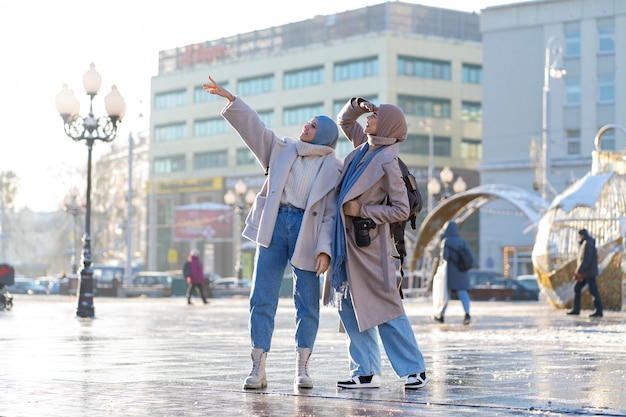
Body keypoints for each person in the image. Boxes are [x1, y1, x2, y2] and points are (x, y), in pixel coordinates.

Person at [202, 76, 342, 390]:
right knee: (261, 297)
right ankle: (258, 368)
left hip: (308, 230)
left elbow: (330, 213)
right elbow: (255, 129)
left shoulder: (334, 168)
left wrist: (325, 250)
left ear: (327, 135)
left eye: (314, 124)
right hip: (275, 225)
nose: (307, 126)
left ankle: (303, 368)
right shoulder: (282, 149)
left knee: (307, 301)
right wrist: (231, 100)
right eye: (308, 122)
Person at [331, 97, 428, 390]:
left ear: (385, 125)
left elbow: (399, 209)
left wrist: (362, 211)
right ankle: (364, 371)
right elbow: (344, 122)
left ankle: (415, 369)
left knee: (386, 307)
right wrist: (357, 106)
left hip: (371, 246)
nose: (367, 122)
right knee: (348, 306)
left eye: (373, 118)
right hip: (344, 242)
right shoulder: (365, 147)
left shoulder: (389, 162)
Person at [433, 221, 472, 325]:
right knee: (463, 292)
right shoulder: (462, 241)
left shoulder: (446, 241)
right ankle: (467, 314)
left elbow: (444, 257)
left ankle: (441, 315)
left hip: (450, 272)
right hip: (463, 271)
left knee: (445, 293)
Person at [567, 229, 603, 318]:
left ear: (582, 235)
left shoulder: (588, 243)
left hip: (588, 272)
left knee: (592, 290)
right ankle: (577, 309)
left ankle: (598, 310)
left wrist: (579, 270)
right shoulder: (587, 243)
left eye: (579, 236)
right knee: (579, 288)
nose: (578, 238)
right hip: (587, 272)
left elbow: (586, 259)